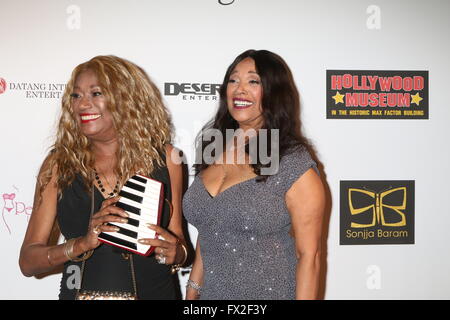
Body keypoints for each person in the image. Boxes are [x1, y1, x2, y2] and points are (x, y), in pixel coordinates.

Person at [19, 55, 188, 300]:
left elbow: (180, 242)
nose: (82, 104)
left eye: (96, 93)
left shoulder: (168, 159)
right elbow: (28, 261)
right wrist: (82, 244)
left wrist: (177, 253)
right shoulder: (58, 164)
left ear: (127, 99)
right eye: (76, 96)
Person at [183, 49, 325, 300]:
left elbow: (309, 258)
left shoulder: (292, 163)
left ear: (274, 92)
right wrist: (192, 293)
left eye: (253, 81)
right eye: (233, 80)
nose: (239, 89)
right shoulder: (212, 150)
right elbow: (210, 232)